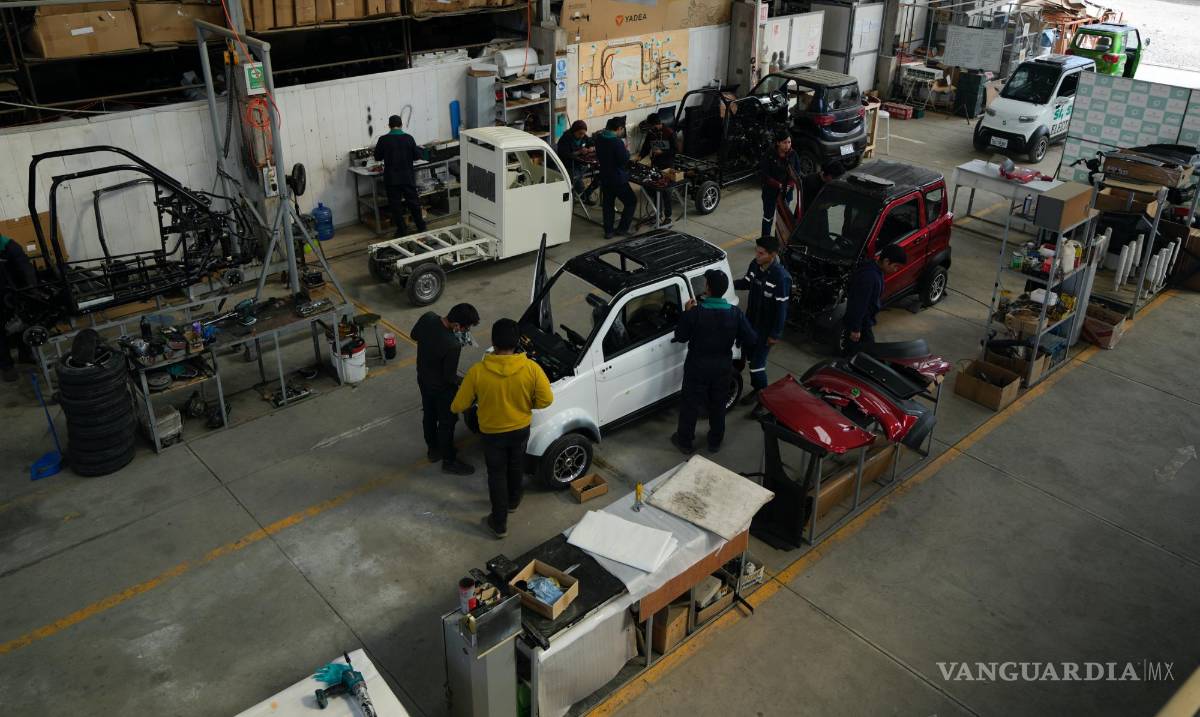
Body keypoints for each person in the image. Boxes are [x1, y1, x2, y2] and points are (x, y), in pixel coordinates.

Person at [451, 318, 554, 539]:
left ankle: (499, 524)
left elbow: (458, 405)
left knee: (496, 474)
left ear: (493, 342)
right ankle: (513, 502)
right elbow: (546, 400)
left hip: (492, 433)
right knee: (516, 465)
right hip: (520, 429)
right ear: (517, 342)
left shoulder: (478, 372)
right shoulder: (531, 369)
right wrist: (526, 405)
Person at [671, 269, 757, 454]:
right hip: (722, 368)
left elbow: (681, 336)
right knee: (718, 405)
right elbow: (751, 337)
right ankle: (715, 442)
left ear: (707, 288)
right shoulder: (735, 313)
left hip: (697, 367)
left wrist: (686, 313)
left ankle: (685, 442)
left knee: (690, 405)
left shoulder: (696, 313)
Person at [412, 303, 480, 475]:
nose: (465, 332)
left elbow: (414, 335)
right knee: (447, 423)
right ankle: (449, 461)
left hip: (423, 379)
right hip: (442, 389)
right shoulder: (452, 345)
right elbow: (449, 377)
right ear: (457, 325)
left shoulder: (428, 317)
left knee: (429, 415)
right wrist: (466, 382)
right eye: (466, 328)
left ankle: (433, 451)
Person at [735, 235, 791, 408]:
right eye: (756, 251)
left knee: (757, 366)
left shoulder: (781, 278)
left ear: (772, 255)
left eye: (761, 253)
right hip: (750, 323)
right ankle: (758, 391)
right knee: (751, 360)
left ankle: (764, 402)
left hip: (766, 330)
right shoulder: (755, 265)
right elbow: (746, 282)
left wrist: (775, 334)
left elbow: (782, 309)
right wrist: (726, 284)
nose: (757, 256)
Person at [842, 244, 907, 356]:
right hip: (860, 324)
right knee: (862, 355)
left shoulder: (875, 270)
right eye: (896, 266)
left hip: (864, 322)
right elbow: (859, 304)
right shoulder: (869, 277)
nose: (896, 270)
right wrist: (856, 329)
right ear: (887, 261)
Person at [373, 114, 427, 238]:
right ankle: (421, 226)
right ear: (401, 125)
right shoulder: (409, 138)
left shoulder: (383, 140)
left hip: (392, 179)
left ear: (389, 126)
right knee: (413, 203)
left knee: (395, 205)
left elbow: (377, 157)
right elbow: (416, 156)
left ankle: (402, 230)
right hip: (407, 177)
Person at [0, 233, 37, 382]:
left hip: (13, 293)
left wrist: (33, 290)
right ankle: (6, 366)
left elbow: (25, 268)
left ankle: (25, 354)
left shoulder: (9, 246)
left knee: (22, 322)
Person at [594, 116, 637, 239]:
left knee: (608, 204)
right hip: (618, 178)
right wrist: (627, 151)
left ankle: (608, 231)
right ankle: (622, 229)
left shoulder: (599, 138)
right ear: (619, 128)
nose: (622, 132)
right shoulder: (617, 142)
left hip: (605, 176)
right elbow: (623, 160)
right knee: (631, 201)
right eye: (622, 130)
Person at [759, 130, 803, 237]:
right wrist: (778, 185)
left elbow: (797, 173)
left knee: (783, 219)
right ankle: (765, 240)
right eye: (784, 142)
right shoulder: (770, 154)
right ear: (778, 143)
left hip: (786, 193)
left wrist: (790, 185)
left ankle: (779, 240)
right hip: (770, 192)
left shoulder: (793, 155)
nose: (787, 145)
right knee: (768, 217)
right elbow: (765, 174)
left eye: (789, 142)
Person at [635, 114, 677, 224]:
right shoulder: (651, 133)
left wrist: (662, 152)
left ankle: (667, 216)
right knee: (652, 188)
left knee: (666, 192)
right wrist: (640, 156)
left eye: (651, 126)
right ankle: (658, 212)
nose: (650, 129)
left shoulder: (669, 133)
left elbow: (675, 150)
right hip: (655, 164)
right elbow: (646, 147)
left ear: (656, 124)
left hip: (667, 165)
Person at [556, 120, 598, 205]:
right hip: (569, 165)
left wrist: (591, 148)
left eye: (583, 133)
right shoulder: (565, 139)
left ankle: (586, 194)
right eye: (580, 133)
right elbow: (565, 155)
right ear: (574, 131)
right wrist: (579, 152)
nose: (582, 136)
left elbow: (591, 143)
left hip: (582, 164)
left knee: (599, 176)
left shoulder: (584, 137)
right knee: (578, 183)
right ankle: (582, 196)